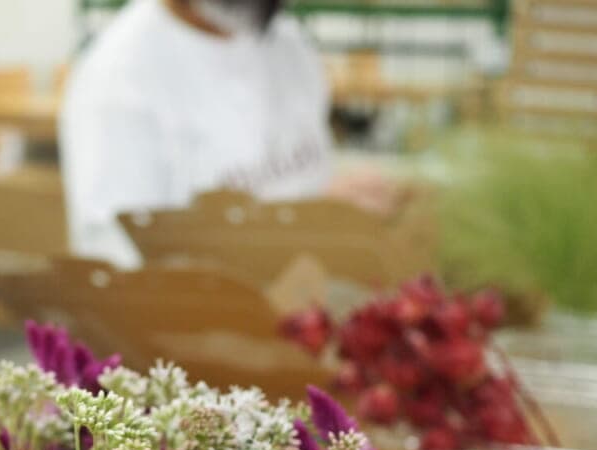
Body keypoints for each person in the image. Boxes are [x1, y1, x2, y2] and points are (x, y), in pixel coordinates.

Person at [60, 0, 400, 269]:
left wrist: (340, 212)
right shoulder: (120, 82)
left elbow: (304, 182)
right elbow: (128, 270)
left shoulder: (288, 45)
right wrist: (302, 228)